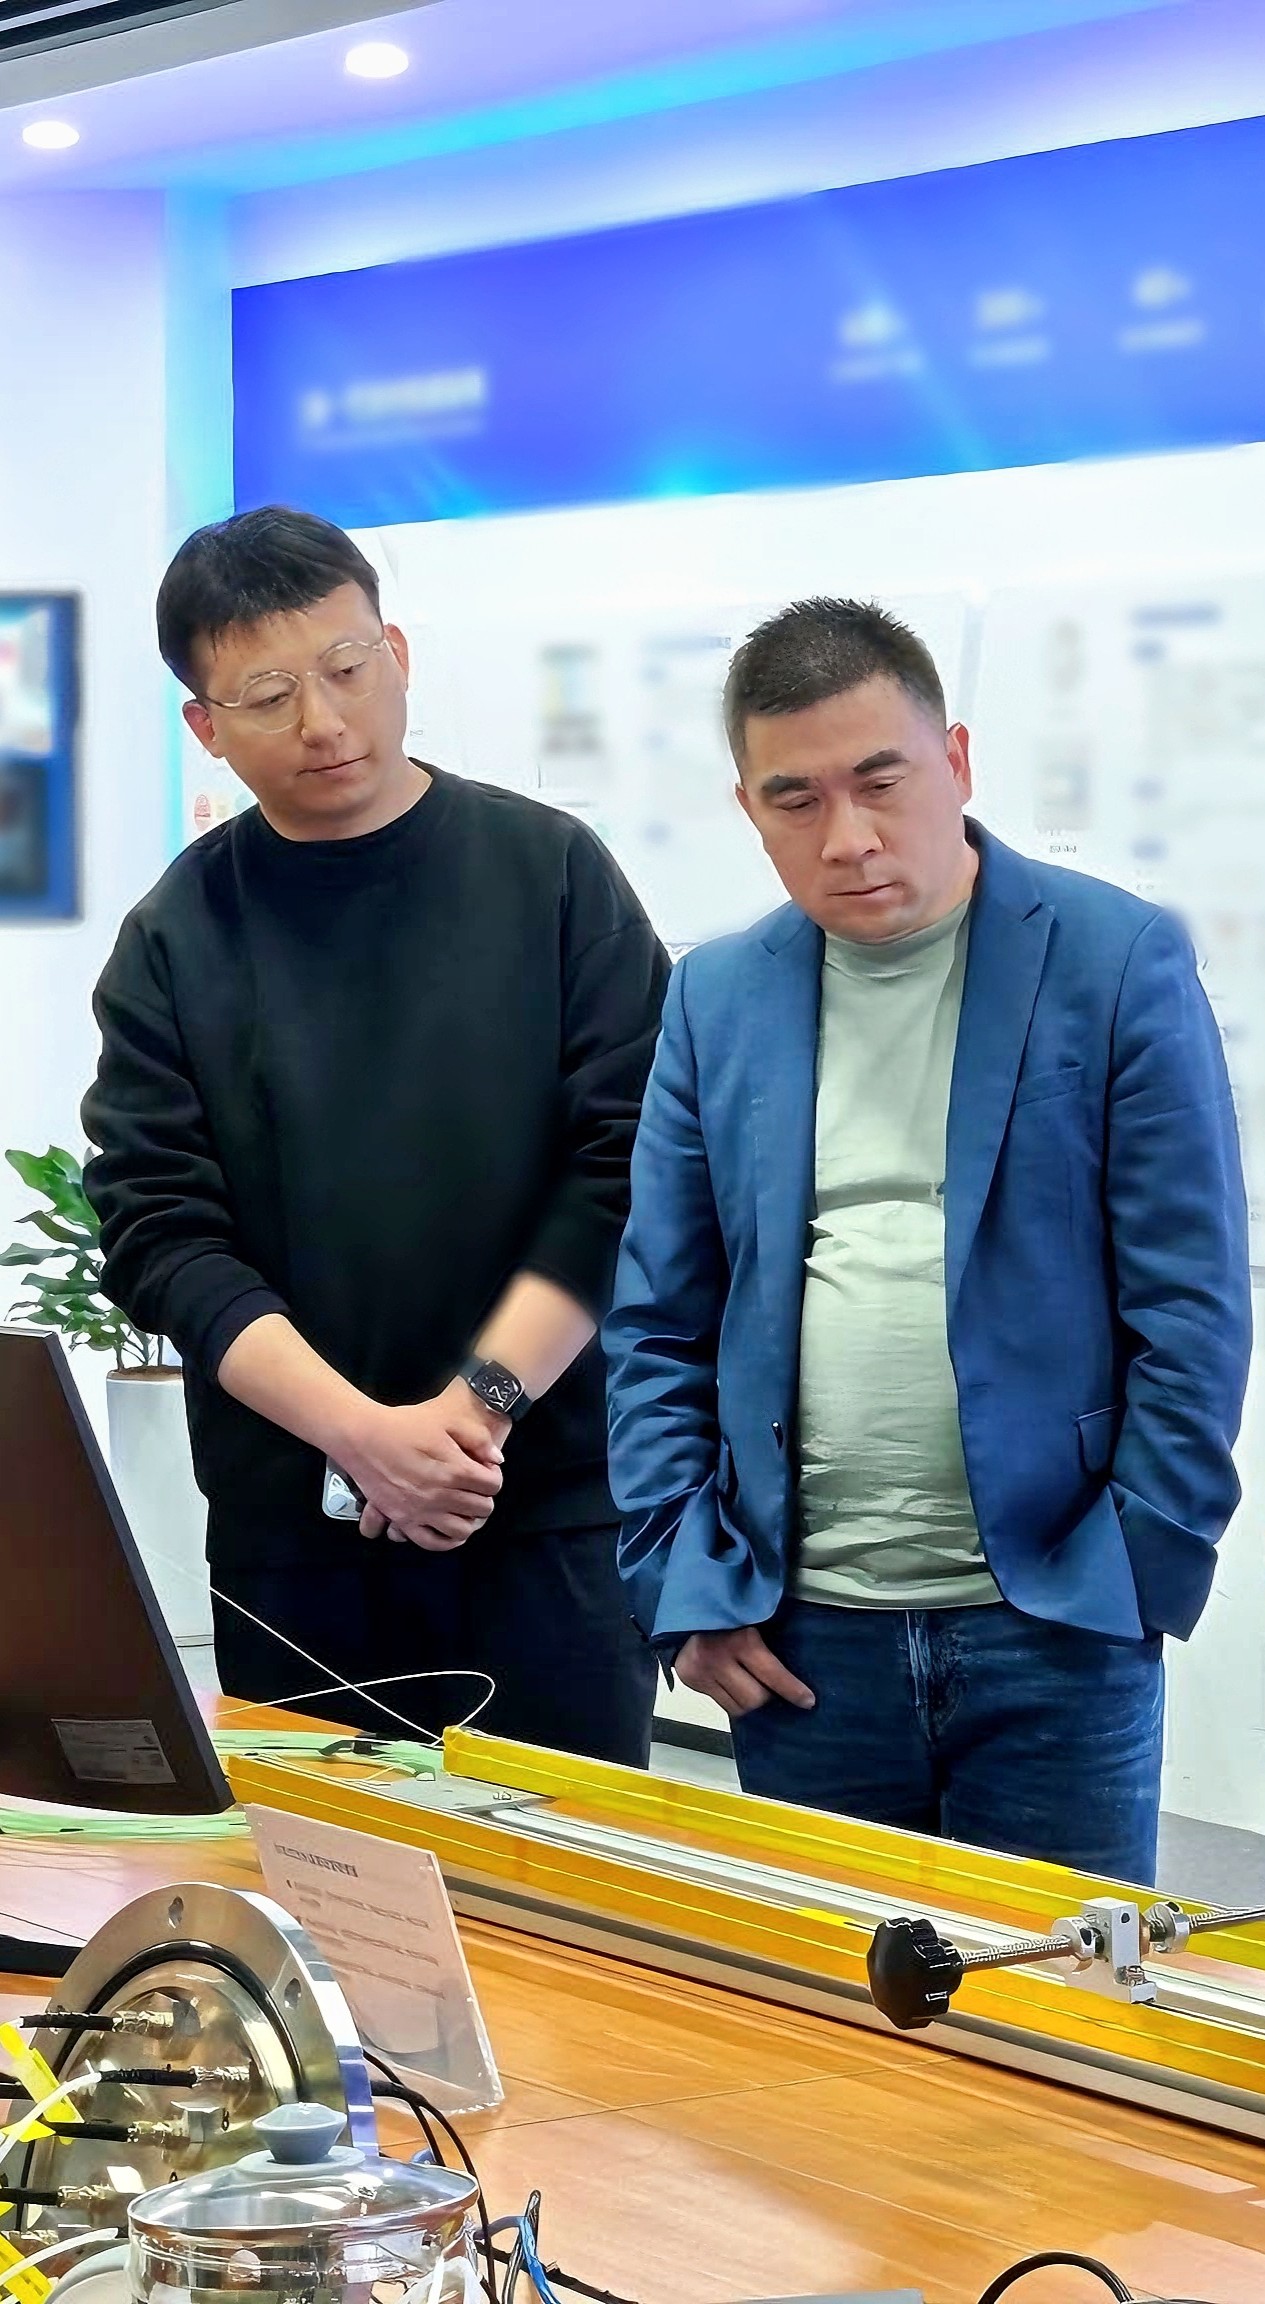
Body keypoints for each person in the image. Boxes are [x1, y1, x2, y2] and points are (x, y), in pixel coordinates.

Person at [604, 597, 1251, 1883]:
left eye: (880, 781)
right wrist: (685, 1584)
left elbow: (1191, 1307)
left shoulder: (1113, 959)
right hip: (801, 1638)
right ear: (749, 810)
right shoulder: (716, 996)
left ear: (954, 760)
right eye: (796, 800)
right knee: (831, 2001)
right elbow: (660, 1320)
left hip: (1053, 1620)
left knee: (1059, 1997)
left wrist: (1131, 1572)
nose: (847, 837)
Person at [84, 507, 668, 1761]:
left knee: (561, 1871)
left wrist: (477, 1411)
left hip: (542, 1514)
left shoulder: (554, 874)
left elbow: (625, 1171)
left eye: (347, 668)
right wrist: (362, 1436)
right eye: (268, 696)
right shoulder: (176, 938)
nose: (324, 722)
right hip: (294, 1540)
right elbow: (159, 1232)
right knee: (327, 1871)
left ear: (395, 653)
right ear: (205, 725)